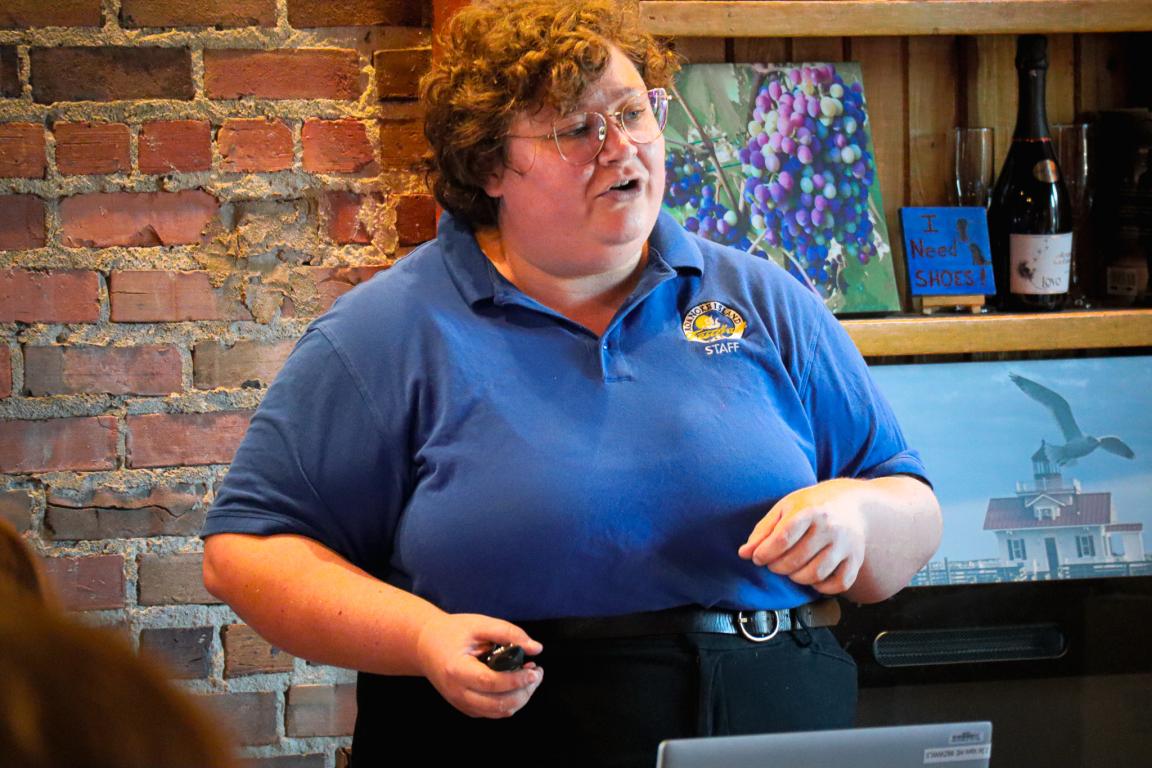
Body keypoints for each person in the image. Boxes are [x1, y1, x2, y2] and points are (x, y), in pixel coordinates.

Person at [202, 1, 942, 765]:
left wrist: (857, 517)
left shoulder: (764, 299)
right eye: (576, 129)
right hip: (503, 732)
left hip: (770, 719)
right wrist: (421, 637)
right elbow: (247, 553)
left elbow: (910, 513)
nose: (620, 148)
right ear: (490, 166)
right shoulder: (390, 328)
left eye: (633, 113)